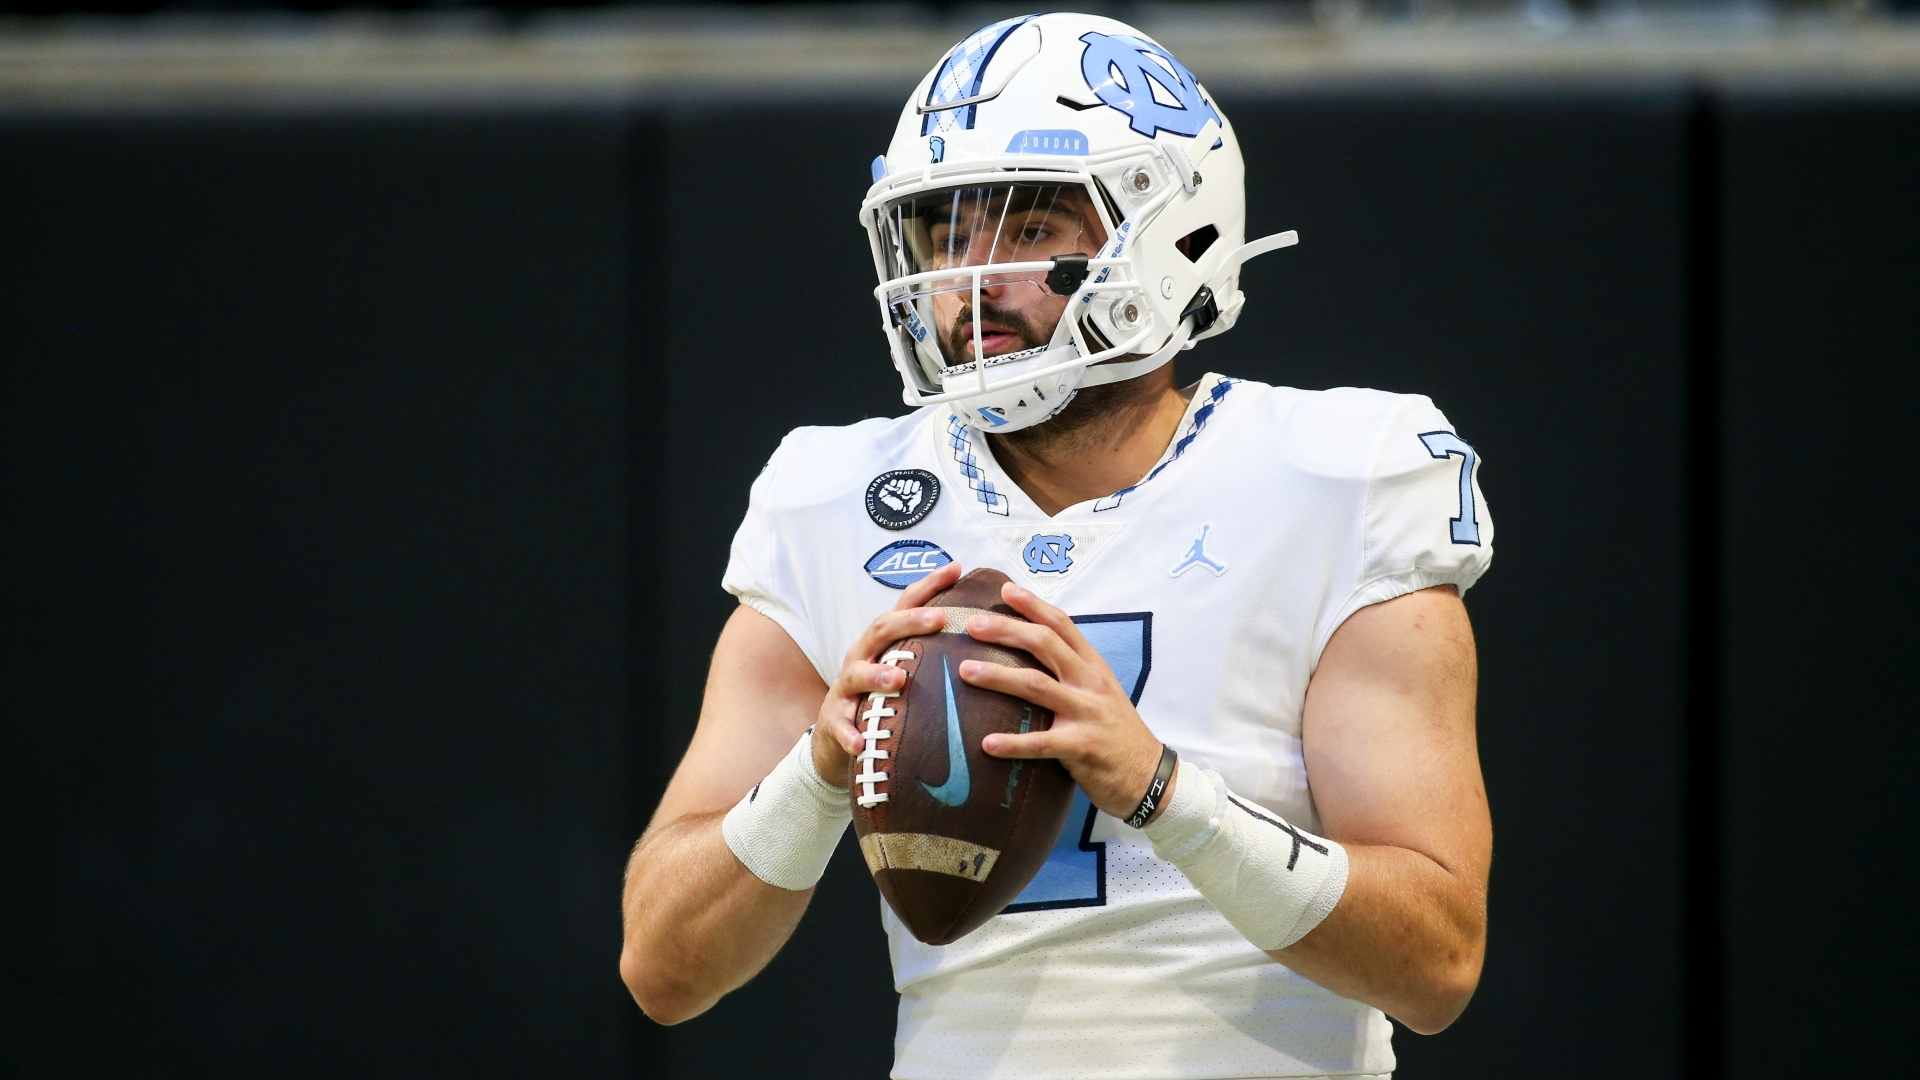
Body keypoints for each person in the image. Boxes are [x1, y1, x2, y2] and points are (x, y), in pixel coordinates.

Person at [620, 13, 1494, 1079]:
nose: (970, 279)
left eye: (1027, 226)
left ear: (1173, 235)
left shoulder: (1338, 476)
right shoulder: (836, 498)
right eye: (944, 234)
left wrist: (1162, 793)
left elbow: (1438, 963)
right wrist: (816, 775)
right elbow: (662, 969)